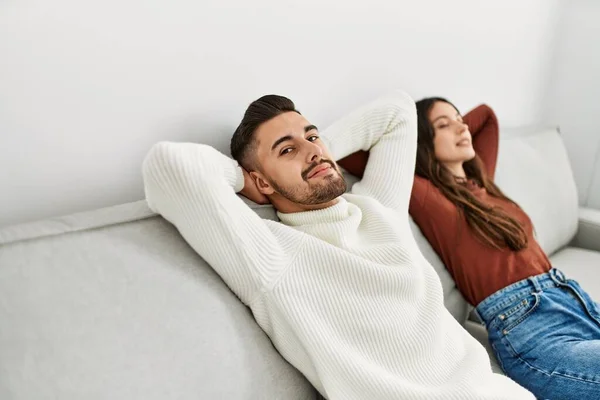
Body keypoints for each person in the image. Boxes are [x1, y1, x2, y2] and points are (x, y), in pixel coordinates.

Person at [142, 91, 534, 400]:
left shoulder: (379, 211)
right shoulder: (271, 255)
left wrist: (315, 148)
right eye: (287, 150)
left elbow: (397, 111)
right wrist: (249, 179)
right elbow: (169, 166)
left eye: (312, 136)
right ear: (261, 182)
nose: (313, 150)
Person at [338, 97, 600, 400]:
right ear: (422, 142)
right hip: (529, 323)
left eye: (460, 120)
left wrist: (447, 124)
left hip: (573, 301)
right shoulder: (425, 193)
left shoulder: (481, 181)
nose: (462, 127)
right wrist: (418, 130)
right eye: (444, 125)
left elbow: (486, 117)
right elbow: (354, 156)